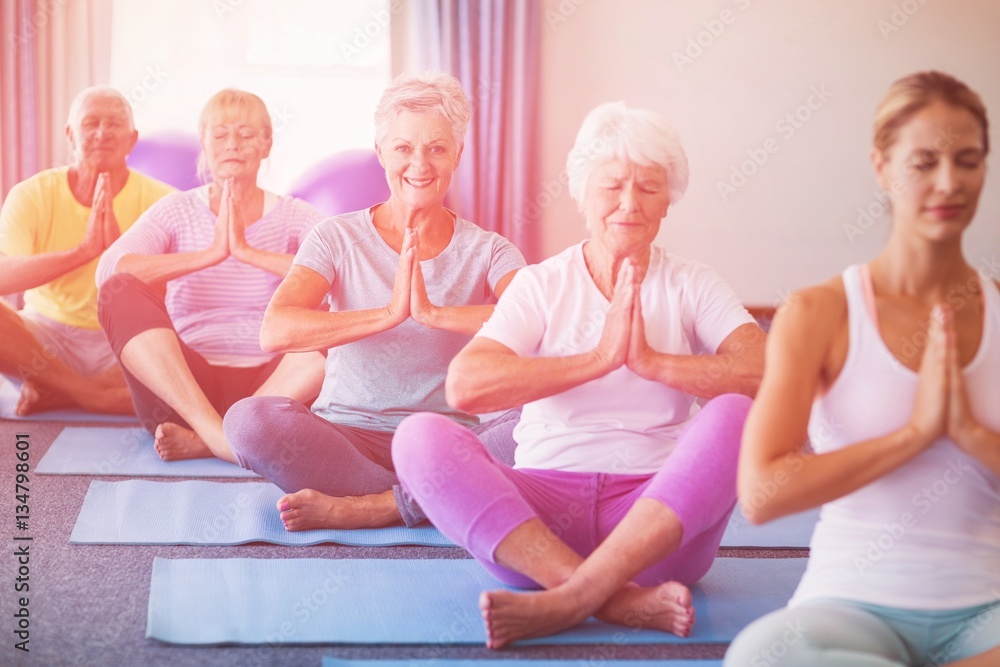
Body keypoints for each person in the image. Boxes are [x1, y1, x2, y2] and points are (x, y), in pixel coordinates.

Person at [392, 101, 768, 649]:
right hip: (538, 523)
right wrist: (597, 360)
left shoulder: (693, 283)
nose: (629, 205)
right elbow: (466, 386)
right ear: (583, 193)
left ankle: (567, 600)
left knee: (741, 414)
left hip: (657, 527)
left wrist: (653, 363)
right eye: (613, 186)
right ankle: (612, 600)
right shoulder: (542, 284)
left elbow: (763, 376)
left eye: (649, 188)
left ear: (669, 199)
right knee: (419, 437)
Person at [725, 71, 1000, 667]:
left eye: (969, 160)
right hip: (849, 613)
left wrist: (973, 437)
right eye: (924, 162)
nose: (949, 182)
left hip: (987, 611)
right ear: (882, 167)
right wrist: (914, 435)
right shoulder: (820, 312)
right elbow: (761, 495)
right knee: (759, 657)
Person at [222, 72, 526, 531]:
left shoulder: (491, 250)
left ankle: (375, 507)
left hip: (444, 442)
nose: (418, 164)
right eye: (403, 147)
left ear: (458, 154)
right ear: (381, 151)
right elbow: (277, 329)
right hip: (347, 436)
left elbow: (540, 323)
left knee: (540, 422)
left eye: (436, 148)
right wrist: (387, 315)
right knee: (248, 422)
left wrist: (435, 315)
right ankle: (425, 499)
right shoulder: (335, 236)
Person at [96, 89, 324, 462]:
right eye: (219, 135)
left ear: (266, 145)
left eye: (247, 134)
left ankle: (215, 438)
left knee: (344, 311)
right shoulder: (176, 210)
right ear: (204, 144)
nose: (232, 144)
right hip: (186, 388)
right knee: (117, 291)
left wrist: (250, 254)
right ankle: (220, 432)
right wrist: (208, 255)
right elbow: (110, 268)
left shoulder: (294, 216)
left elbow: (352, 270)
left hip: (277, 386)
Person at [0, 86, 173, 416]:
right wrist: (84, 251)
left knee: (201, 343)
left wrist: (118, 260)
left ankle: (61, 393)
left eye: (114, 124)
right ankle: (95, 396)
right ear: (70, 134)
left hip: (125, 342)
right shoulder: (31, 194)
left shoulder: (163, 201)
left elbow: (181, 297)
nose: (102, 133)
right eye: (91, 123)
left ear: (132, 139)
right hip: (46, 340)